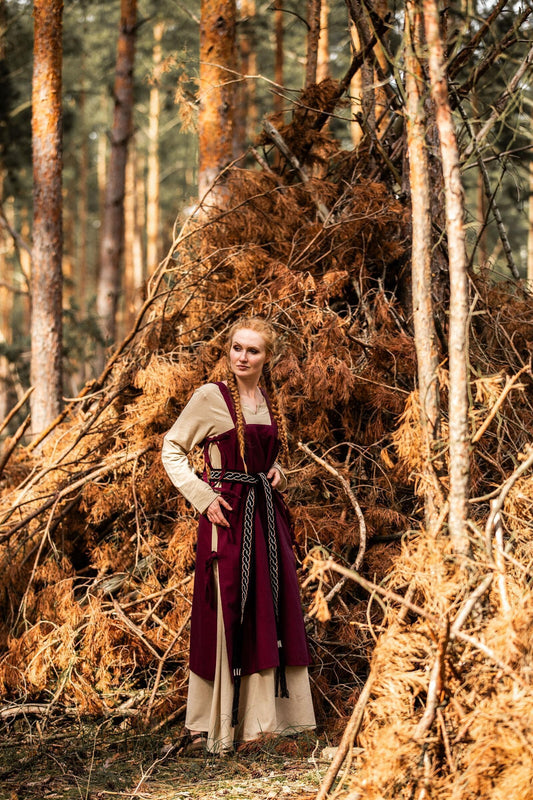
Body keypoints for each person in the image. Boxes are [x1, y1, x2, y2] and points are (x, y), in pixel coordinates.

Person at [161, 317, 315, 754]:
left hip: (266, 517)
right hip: (226, 519)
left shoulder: (269, 401)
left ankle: (266, 721)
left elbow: (269, 460)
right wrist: (202, 495)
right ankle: (214, 724)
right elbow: (172, 449)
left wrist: (277, 474)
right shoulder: (212, 397)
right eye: (236, 347)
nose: (242, 357)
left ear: (269, 357)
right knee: (227, 609)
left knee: (271, 609)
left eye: (253, 350)